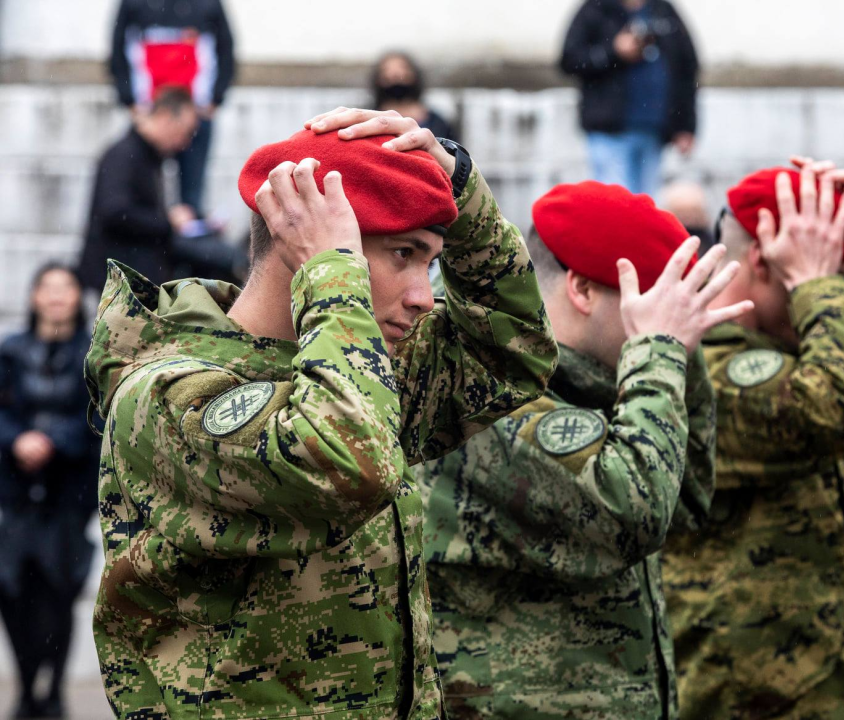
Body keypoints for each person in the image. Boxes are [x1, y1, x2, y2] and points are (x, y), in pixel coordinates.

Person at [85, 108, 558, 719]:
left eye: (431, 264)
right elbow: (345, 461)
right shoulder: (170, 393)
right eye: (402, 256)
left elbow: (513, 353)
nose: (423, 296)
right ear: (306, 245)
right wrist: (331, 272)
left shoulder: (359, 365)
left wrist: (462, 191)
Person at [417, 181, 752, 719]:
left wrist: (677, 361)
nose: (665, 324)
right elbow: (632, 510)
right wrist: (659, 352)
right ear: (583, 289)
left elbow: (682, 502)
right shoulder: (492, 398)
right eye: (652, 303)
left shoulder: (596, 386)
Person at [662, 163, 844, 719]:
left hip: (824, 687)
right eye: (833, 270)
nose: (842, 289)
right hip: (745, 697)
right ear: (763, 261)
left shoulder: (799, 350)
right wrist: (816, 284)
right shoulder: (707, 366)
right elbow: (840, 414)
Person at [0, 264, 99, 720]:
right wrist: (18, 439)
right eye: (48, 288)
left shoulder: (92, 354)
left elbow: (95, 418)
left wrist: (53, 442)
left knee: (60, 595)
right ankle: (25, 687)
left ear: (78, 297)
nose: (57, 297)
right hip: (16, 495)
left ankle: (55, 690)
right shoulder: (11, 350)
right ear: (35, 296)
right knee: (13, 592)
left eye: (67, 288)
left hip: (68, 496)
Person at [109, 0, 236, 215]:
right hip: (150, 114)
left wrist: (215, 99)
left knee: (191, 196)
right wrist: (129, 101)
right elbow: (118, 48)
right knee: (140, 189)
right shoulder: (134, 4)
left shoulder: (208, 4)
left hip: (195, 114)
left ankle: (188, 239)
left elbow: (225, 47)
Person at [560, 0, 699, 196]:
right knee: (615, 207)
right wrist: (613, 52)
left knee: (647, 207)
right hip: (608, 131)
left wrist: (686, 125)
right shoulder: (596, 9)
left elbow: (686, 69)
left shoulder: (662, 10)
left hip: (653, 130)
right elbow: (570, 60)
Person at [78, 86, 200, 293]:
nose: (185, 143)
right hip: (118, 285)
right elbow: (114, 212)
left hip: (130, 280)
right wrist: (167, 222)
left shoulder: (149, 157)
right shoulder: (124, 155)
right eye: (185, 132)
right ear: (164, 116)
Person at [372, 51, 456, 141]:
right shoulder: (370, 121)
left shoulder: (438, 123)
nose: (395, 75)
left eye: (402, 68)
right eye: (387, 70)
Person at [660, 179, 716, 250]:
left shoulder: (710, 241)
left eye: (693, 212)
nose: (687, 221)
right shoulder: (663, 242)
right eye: (680, 213)